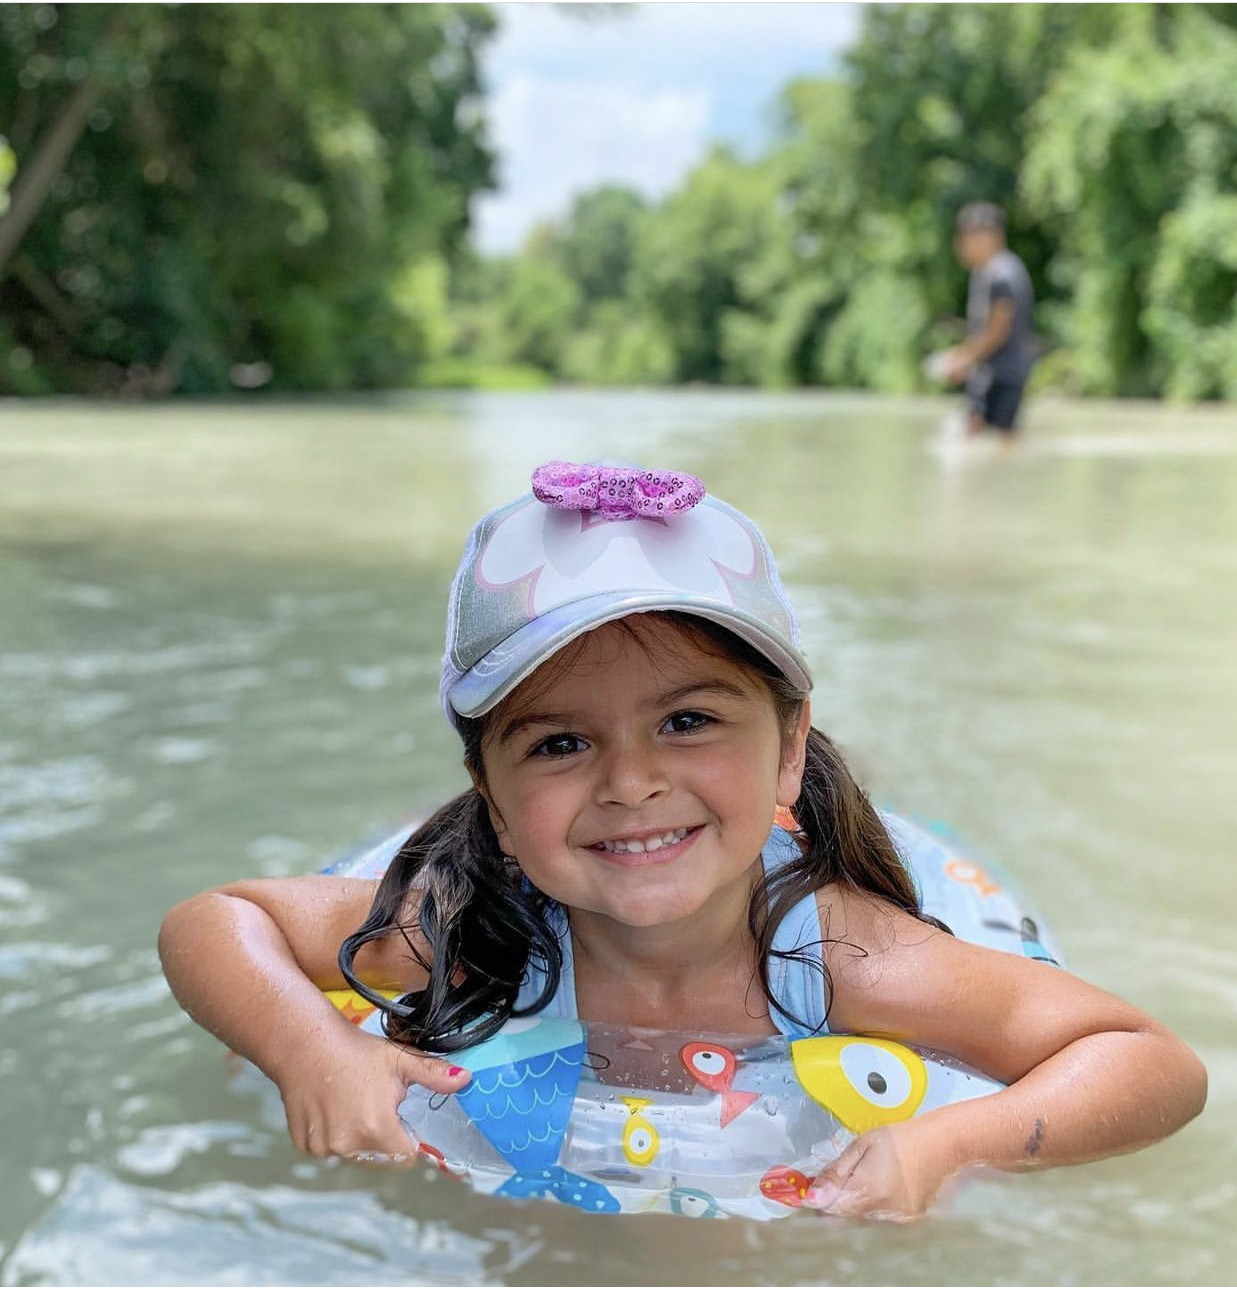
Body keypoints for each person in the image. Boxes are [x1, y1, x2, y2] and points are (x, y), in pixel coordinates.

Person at [159, 461, 1205, 1220]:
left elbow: (1146, 1058)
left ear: (790, 749)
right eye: (561, 741)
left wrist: (950, 1138)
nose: (631, 781)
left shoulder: (838, 953)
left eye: (689, 720)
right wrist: (314, 1049)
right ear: (488, 792)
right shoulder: (470, 927)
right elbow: (216, 920)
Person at [940, 202, 1037, 436]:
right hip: (1002, 372)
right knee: (1000, 440)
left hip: (999, 374)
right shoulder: (994, 270)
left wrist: (963, 359)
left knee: (977, 437)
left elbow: (998, 331)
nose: (960, 245)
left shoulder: (999, 274)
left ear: (988, 236)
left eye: (965, 237)